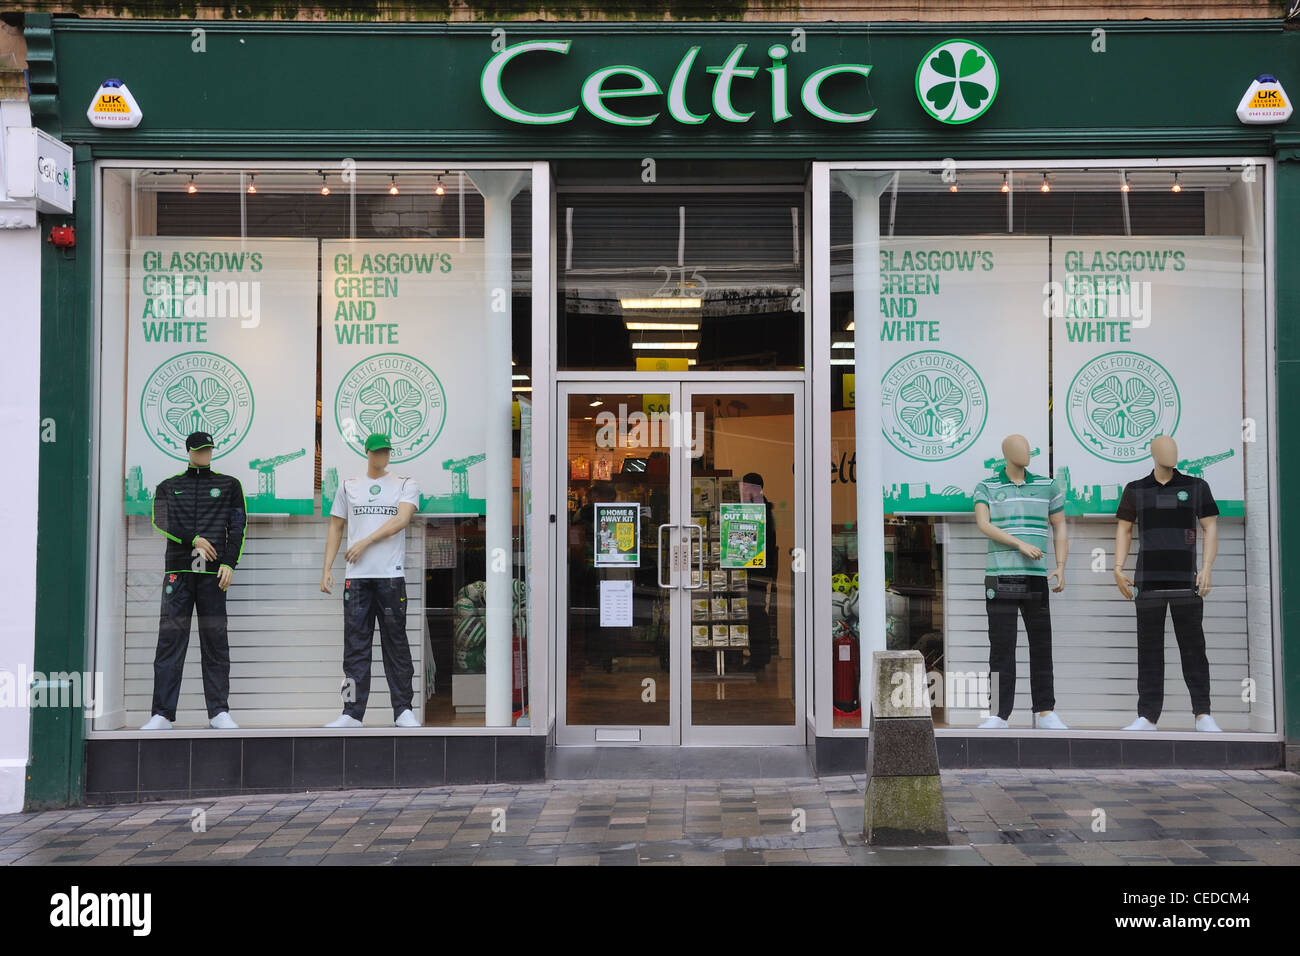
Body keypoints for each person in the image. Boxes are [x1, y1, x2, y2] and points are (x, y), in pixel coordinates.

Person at [1114, 435, 1221, 732]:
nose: (1171, 453)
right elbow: (1124, 531)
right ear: (1152, 453)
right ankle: (1147, 716)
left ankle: (1203, 714)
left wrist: (1207, 568)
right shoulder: (1136, 490)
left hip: (1187, 581)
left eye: (1174, 447)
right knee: (1148, 649)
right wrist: (1117, 568)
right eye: (1164, 448)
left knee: (1193, 647)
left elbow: (1210, 528)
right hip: (1147, 580)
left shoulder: (1196, 487)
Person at [141, 430, 246, 730]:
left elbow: (237, 526)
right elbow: (159, 520)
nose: (204, 455)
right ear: (188, 451)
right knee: (170, 641)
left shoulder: (229, 486)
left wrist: (229, 562)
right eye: (199, 450)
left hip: (212, 576)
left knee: (215, 641)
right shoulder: (168, 487)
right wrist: (194, 539)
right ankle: (161, 714)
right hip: (179, 573)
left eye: (208, 450)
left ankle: (218, 712)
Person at [321, 432, 421, 728]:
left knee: (396, 645)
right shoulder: (349, 486)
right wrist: (326, 567)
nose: (383, 456)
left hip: (390, 577)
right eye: (377, 452)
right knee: (354, 648)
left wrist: (365, 541)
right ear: (367, 453)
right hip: (357, 579)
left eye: (386, 451)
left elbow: (402, 520)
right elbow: (336, 527)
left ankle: (403, 709)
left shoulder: (405, 484)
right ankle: (351, 712)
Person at [972, 434, 1069, 730]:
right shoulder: (987, 486)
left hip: (1036, 577)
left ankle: (1045, 711)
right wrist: (1019, 544)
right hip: (1000, 575)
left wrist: (1061, 566)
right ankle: (999, 714)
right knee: (1001, 646)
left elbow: (1060, 524)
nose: (1025, 452)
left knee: (1042, 644)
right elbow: (983, 523)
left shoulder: (1047, 486)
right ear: (1005, 453)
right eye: (1019, 448)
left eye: (1028, 447)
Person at [740, 472, 778, 673]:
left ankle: (759, 657)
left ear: (755, 488)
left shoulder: (758, 509)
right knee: (756, 611)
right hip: (759, 569)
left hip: (757, 569)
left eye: (746, 486)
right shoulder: (762, 507)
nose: (743, 490)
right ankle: (760, 657)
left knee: (755, 612)